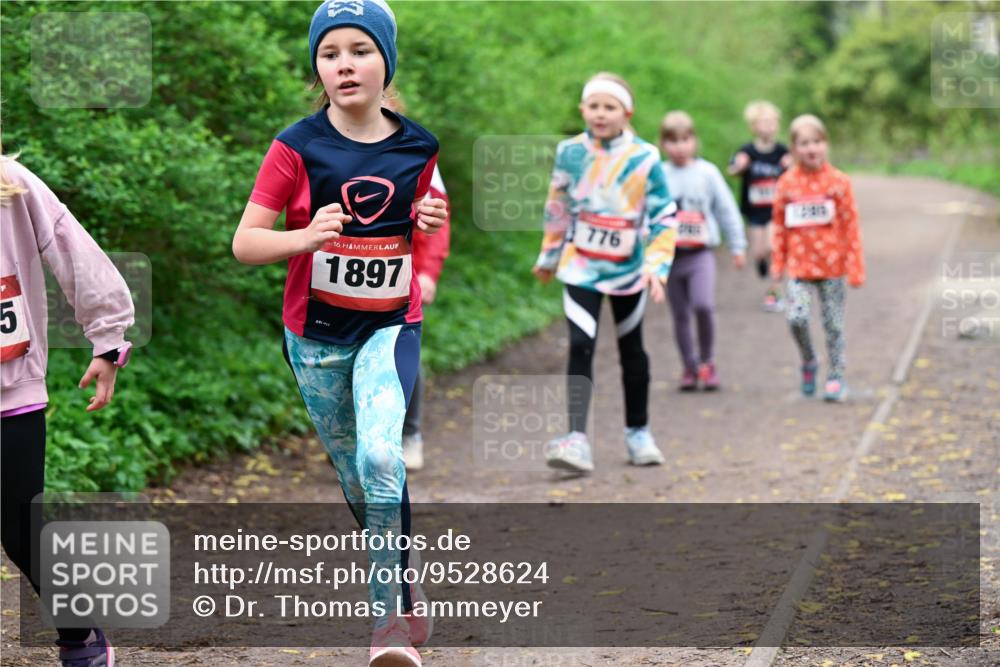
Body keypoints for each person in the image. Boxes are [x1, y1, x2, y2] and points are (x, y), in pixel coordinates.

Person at [231, 1, 447, 664]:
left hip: (390, 325)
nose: (345, 64)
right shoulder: (295, 146)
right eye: (330, 53)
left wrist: (428, 250)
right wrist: (306, 236)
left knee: (383, 457)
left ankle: (386, 624)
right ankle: (405, 591)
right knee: (358, 477)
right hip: (316, 335)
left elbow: (433, 215)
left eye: (360, 49)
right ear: (317, 67)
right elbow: (245, 243)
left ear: (387, 60)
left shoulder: (417, 145)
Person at [1, 144, 135, 667]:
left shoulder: (12, 185)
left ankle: (79, 632)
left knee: (19, 527)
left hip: (11, 390)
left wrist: (107, 339)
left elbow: (72, 249)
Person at [532, 72, 677, 472]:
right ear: (582, 110)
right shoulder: (570, 152)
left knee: (632, 349)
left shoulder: (645, 158)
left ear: (626, 113)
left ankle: (638, 432)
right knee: (580, 343)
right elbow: (558, 205)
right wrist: (548, 257)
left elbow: (664, 214)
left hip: (629, 269)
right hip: (580, 265)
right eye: (593, 106)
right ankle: (576, 439)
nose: (600, 114)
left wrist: (657, 265)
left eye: (609, 107)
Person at [381, 85, 452, 472]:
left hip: (403, 272)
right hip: (346, 280)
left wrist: (428, 270)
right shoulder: (332, 147)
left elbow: (436, 216)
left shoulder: (416, 151)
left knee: (402, 352)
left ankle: (411, 433)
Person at [771, 114, 865, 402]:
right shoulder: (787, 184)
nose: (811, 149)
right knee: (796, 317)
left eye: (817, 142)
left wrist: (855, 267)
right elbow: (779, 225)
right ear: (794, 148)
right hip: (798, 267)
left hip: (832, 266)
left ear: (826, 144)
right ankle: (809, 360)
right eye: (804, 143)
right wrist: (778, 261)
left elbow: (851, 225)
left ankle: (836, 376)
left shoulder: (839, 182)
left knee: (834, 324)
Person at [659, 111, 747, 391]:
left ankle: (707, 362)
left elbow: (726, 209)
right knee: (680, 314)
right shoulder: (659, 174)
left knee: (703, 306)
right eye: (673, 141)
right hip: (671, 257)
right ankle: (689, 365)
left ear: (694, 141)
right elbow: (644, 213)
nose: (680, 147)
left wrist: (737, 245)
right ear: (663, 144)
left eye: (685, 140)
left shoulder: (707, 173)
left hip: (700, 255)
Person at [728, 101, 791, 311]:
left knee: (773, 247)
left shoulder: (783, 152)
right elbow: (732, 170)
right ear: (754, 126)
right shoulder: (747, 151)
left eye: (772, 122)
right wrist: (740, 166)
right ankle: (762, 262)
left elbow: (796, 174)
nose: (769, 126)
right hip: (754, 211)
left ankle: (774, 292)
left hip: (777, 211)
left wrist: (791, 166)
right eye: (764, 122)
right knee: (759, 251)